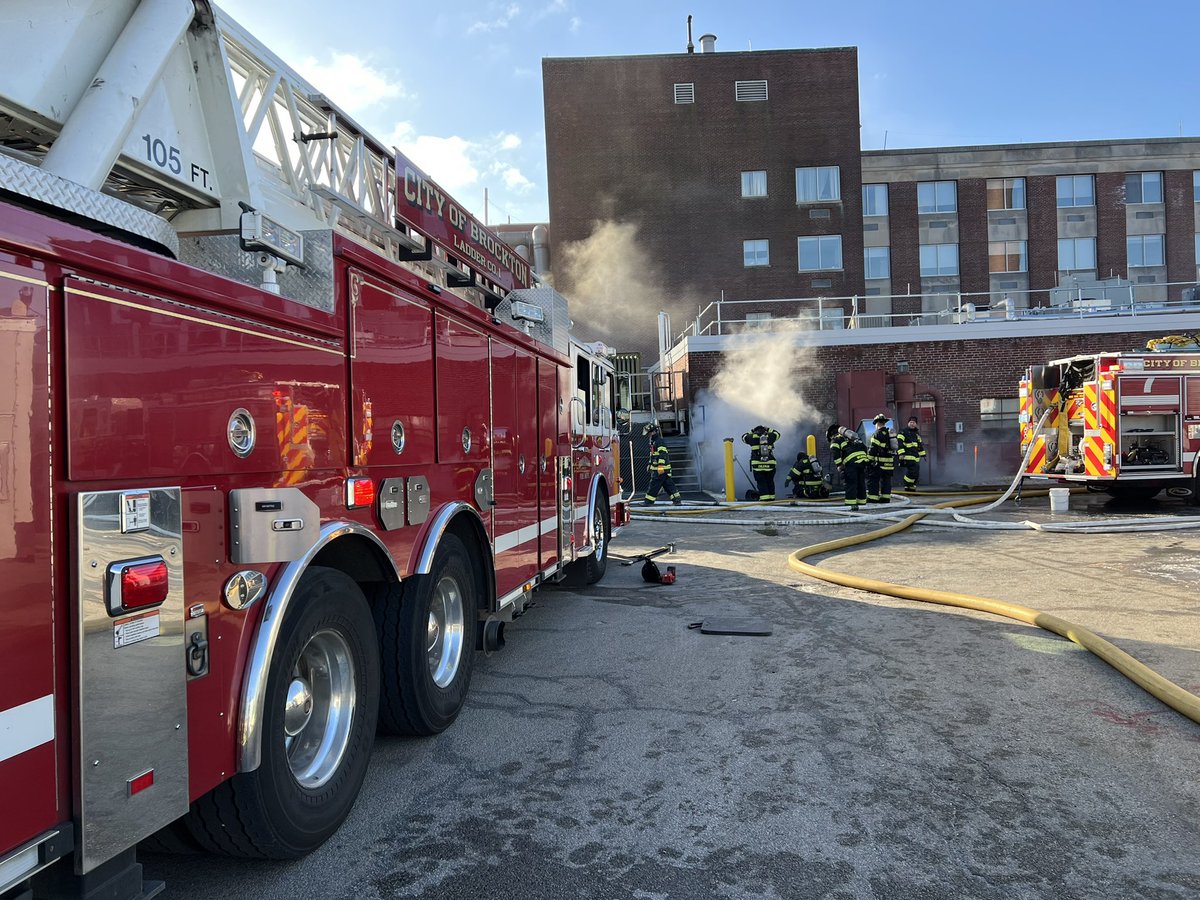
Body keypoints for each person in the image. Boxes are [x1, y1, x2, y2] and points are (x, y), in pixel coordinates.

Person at [827, 423, 868, 510]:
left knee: (851, 483)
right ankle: (862, 504)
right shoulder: (852, 437)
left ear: (831, 435)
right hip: (863, 460)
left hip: (851, 463)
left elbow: (835, 452)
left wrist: (839, 465)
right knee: (861, 483)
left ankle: (850, 505)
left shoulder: (836, 439)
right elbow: (864, 447)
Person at [643, 423, 681, 505]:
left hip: (660, 469)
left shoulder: (659, 441)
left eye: (649, 433)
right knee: (668, 485)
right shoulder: (654, 442)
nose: (648, 435)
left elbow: (662, 454)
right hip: (661, 469)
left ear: (653, 432)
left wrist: (660, 466)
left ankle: (648, 502)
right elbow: (653, 455)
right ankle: (677, 500)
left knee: (654, 485)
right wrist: (650, 464)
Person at [741, 424, 781, 502]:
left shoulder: (752, 437)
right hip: (770, 464)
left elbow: (743, 437)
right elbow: (777, 434)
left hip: (757, 465)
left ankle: (765, 499)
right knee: (770, 481)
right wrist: (768, 429)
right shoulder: (770, 436)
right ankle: (772, 498)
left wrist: (752, 431)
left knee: (761, 482)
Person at [866, 413, 898, 503]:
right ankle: (885, 498)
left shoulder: (877, 434)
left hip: (879, 464)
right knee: (886, 481)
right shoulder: (889, 433)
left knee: (873, 480)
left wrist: (868, 460)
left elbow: (873, 449)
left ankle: (873, 498)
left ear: (877, 423)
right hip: (889, 463)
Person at [898, 415, 927, 490]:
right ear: (908, 423)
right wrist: (901, 454)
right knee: (912, 471)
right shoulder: (903, 432)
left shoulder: (917, 434)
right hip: (907, 456)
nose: (912, 424)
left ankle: (912, 486)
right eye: (910, 422)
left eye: (914, 422)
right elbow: (899, 443)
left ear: (916, 424)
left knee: (916, 472)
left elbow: (919, 445)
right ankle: (907, 484)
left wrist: (923, 455)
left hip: (915, 457)